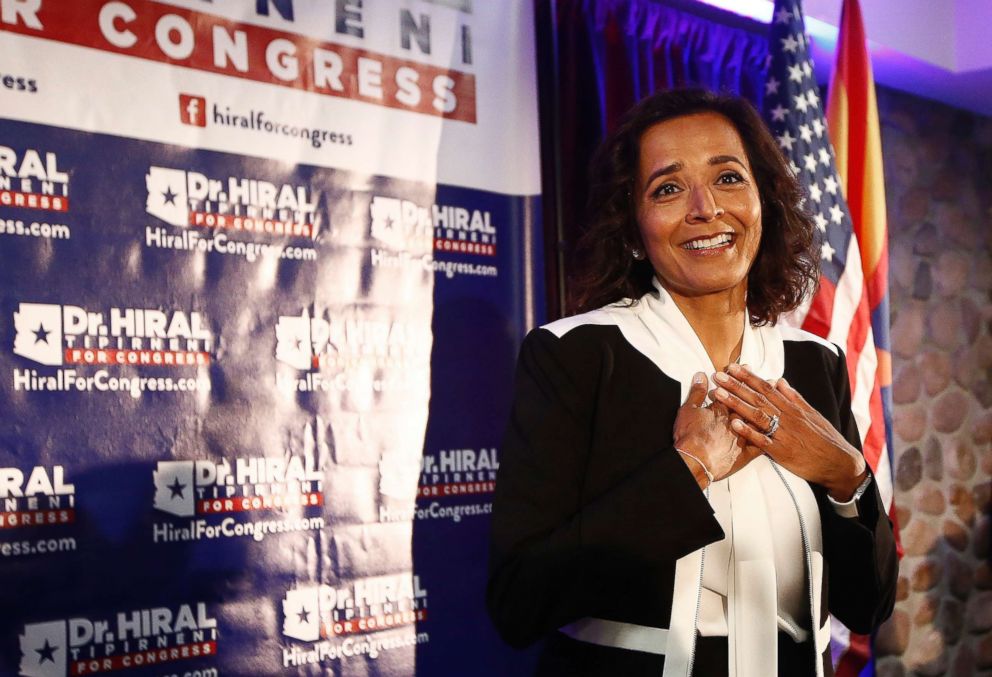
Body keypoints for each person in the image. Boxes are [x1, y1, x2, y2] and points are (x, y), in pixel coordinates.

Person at [486, 89, 897, 677]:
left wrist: (845, 476)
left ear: (765, 203)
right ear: (632, 227)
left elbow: (870, 604)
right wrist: (690, 470)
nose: (706, 208)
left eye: (729, 178)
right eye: (669, 188)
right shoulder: (575, 355)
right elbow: (517, 602)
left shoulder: (816, 362)